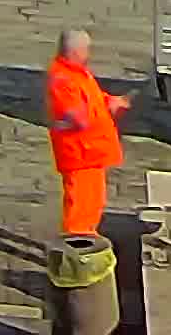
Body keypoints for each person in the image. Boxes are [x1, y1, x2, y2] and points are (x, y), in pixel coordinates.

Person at [44, 28, 130, 238]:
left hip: (91, 154)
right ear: (75, 52)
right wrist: (104, 111)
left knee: (93, 204)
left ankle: (88, 241)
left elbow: (94, 97)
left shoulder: (77, 73)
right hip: (79, 154)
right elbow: (79, 118)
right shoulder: (63, 80)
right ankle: (75, 253)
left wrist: (110, 101)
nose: (89, 54)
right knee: (79, 209)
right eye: (86, 50)